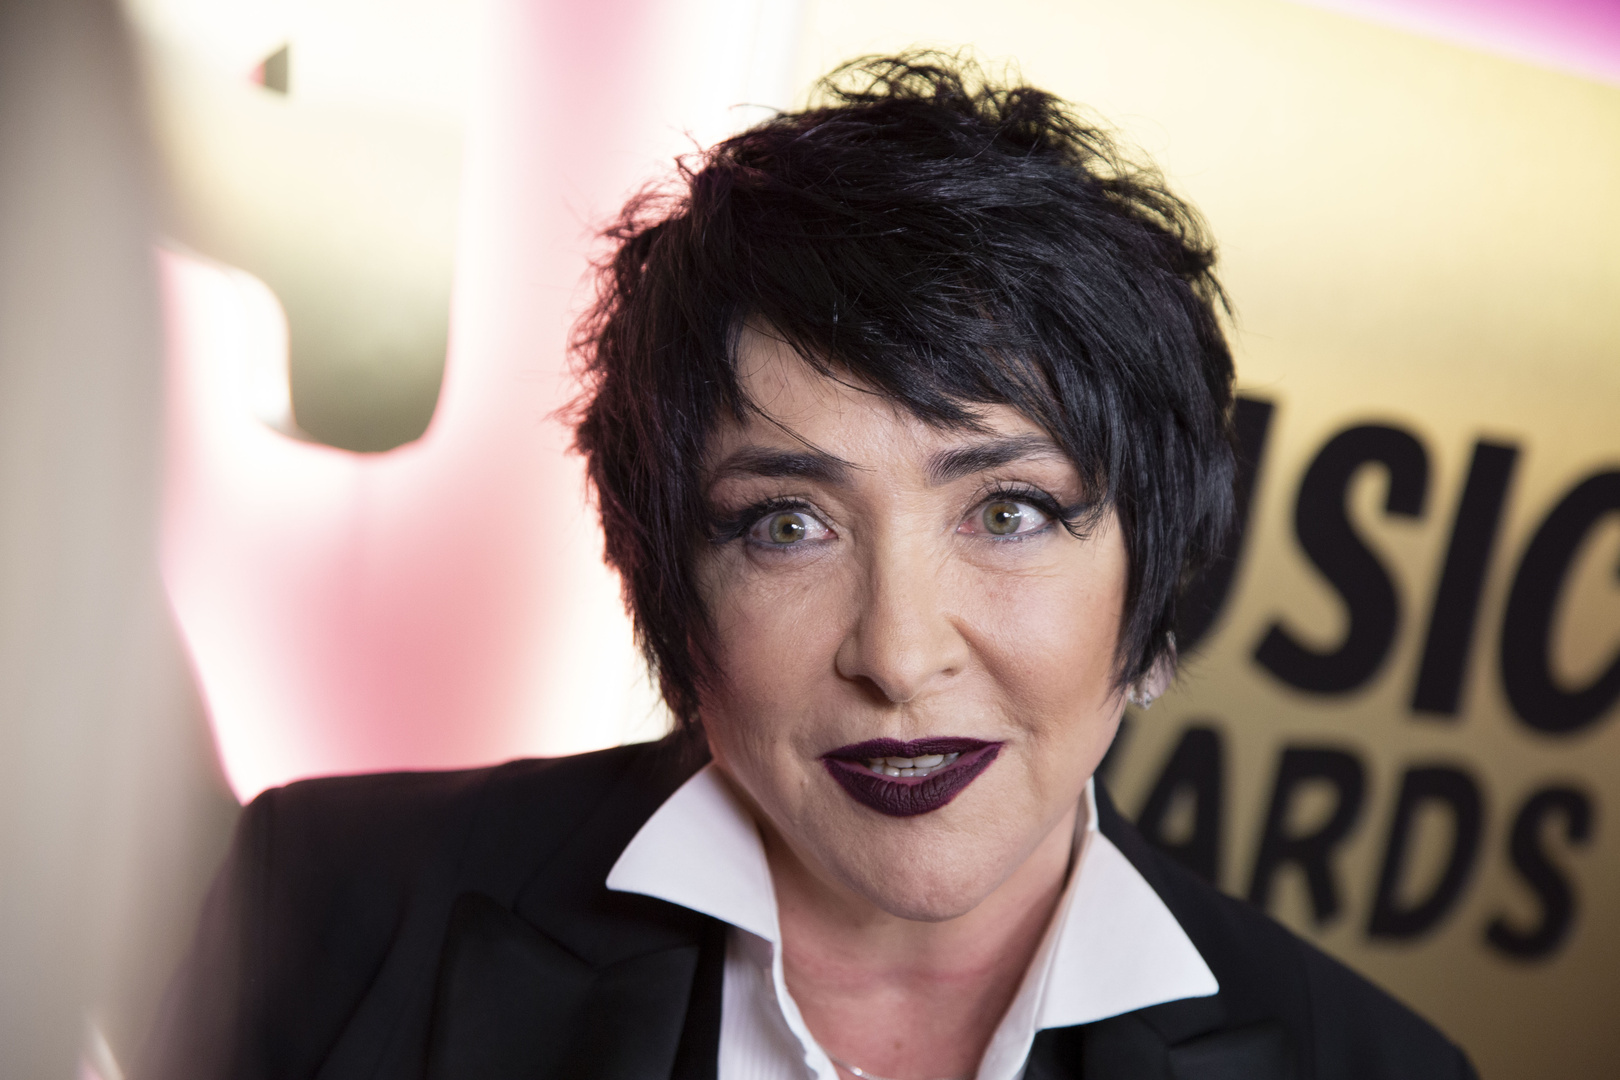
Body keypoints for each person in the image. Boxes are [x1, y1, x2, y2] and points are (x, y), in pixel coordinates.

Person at [139, 55, 1477, 1080]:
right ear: (672, 579)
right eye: (787, 525)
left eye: (1010, 511)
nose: (898, 654)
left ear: (1157, 572)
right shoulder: (330, 907)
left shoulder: (1376, 1067)